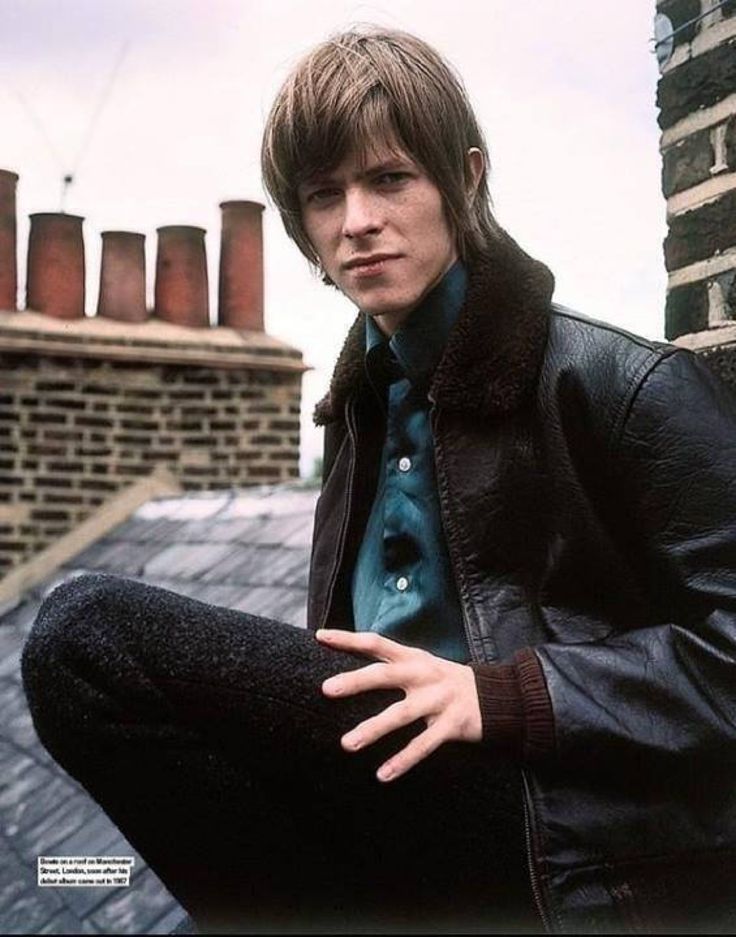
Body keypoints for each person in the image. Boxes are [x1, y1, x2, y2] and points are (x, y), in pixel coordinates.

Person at [22, 25, 736, 935]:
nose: (357, 220)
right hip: (398, 816)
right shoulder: (359, 402)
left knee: (86, 632)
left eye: (389, 178)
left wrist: (505, 694)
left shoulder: (620, 384)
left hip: (555, 835)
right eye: (325, 195)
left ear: (465, 179)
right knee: (94, 725)